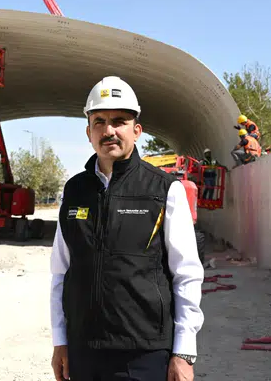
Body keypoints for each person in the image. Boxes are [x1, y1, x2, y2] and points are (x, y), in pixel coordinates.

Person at [50, 76, 204, 381]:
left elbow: (186, 273)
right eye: (99, 121)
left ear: (136, 130)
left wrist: (184, 352)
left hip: (144, 353)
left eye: (119, 121)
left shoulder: (163, 190)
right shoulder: (75, 190)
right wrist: (60, 340)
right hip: (85, 350)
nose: (109, 130)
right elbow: (60, 272)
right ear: (88, 132)